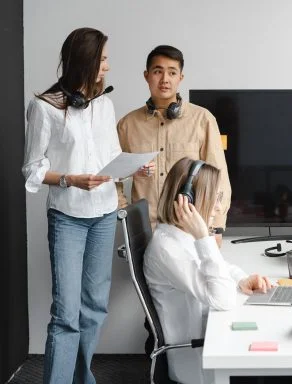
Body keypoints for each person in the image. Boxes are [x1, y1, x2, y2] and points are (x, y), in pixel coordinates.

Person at [22, 28, 121, 383]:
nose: (107, 66)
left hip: (106, 213)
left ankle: (83, 378)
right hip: (68, 216)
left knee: (94, 309)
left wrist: (133, 166)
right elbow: (33, 168)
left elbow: (111, 156)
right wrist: (70, 179)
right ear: (85, 60)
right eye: (103, 58)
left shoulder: (104, 104)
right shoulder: (44, 107)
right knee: (66, 314)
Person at [143, 157, 271, 384]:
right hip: (199, 364)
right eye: (215, 198)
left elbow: (217, 266)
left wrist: (242, 279)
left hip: (211, 342)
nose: (219, 207)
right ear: (188, 200)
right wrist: (204, 236)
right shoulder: (168, 248)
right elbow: (222, 299)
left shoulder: (179, 237)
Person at [116, 45, 231, 237]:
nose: (164, 79)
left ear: (180, 78)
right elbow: (113, 177)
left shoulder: (202, 120)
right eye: (158, 71)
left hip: (190, 232)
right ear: (146, 75)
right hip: (147, 231)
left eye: (172, 72)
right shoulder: (127, 125)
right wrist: (126, 213)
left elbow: (218, 178)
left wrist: (216, 227)